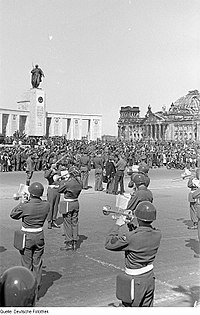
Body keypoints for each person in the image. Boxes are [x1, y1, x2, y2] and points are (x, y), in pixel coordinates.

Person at [105, 201, 162, 307]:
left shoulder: (131, 237)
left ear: (138, 217)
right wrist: (131, 223)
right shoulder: (157, 234)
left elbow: (109, 244)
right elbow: (141, 234)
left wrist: (117, 225)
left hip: (135, 281)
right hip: (149, 278)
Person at [10, 182, 50, 292]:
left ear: (31, 193)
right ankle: (36, 287)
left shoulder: (26, 206)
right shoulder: (46, 205)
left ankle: (27, 288)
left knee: (26, 264)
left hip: (27, 237)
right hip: (39, 236)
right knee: (37, 263)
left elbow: (13, 214)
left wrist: (22, 202)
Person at [58, 166, 83, 251]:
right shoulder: (80, 183)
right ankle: (75, 240)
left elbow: (59, 190)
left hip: (68, 203)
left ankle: (69, 242)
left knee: (67, 223)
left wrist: (62, 180)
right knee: (75, 223)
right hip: (76, 202)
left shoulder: (68, 183)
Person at [44, 159, 61, 229]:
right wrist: (51, 169)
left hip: (57, 190)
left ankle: (54, 220)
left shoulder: (58, 171)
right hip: (51, 189)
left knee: (56, 206)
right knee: (50, 206)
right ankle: (49, 221)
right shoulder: (48, 171)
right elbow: (46, 176)